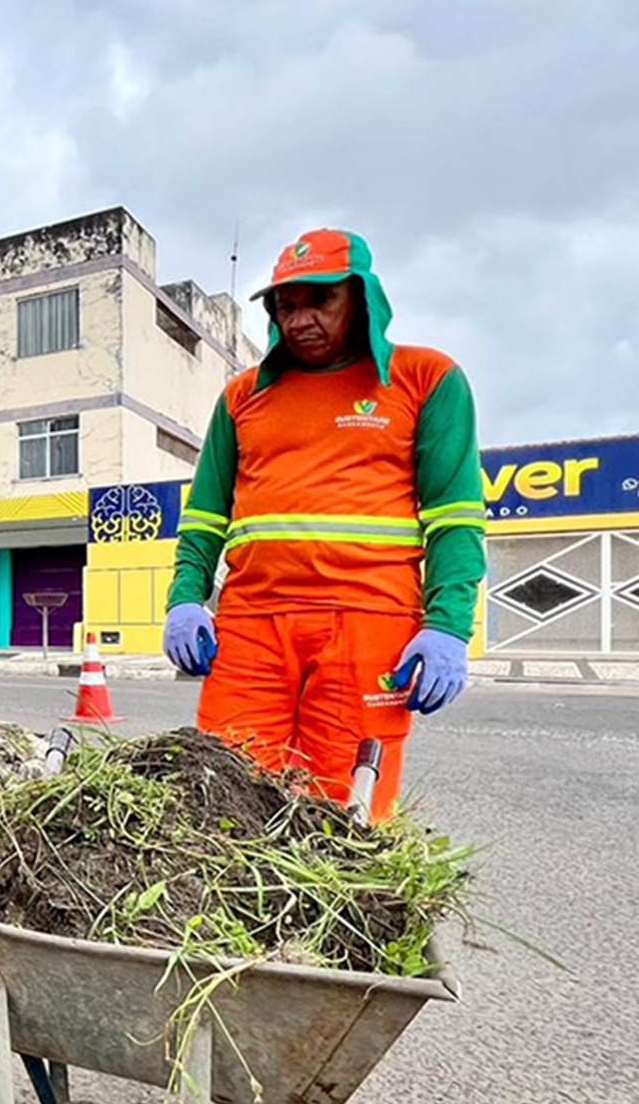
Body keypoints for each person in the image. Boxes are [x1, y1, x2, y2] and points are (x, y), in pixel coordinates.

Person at [163, 229, 486, 820]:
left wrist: (448, 626)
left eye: (320, 301)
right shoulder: (242, 397)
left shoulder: (426, 379)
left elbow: (456, 518)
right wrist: (185, 599)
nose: (300, 320)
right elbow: (206, 516)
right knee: (224, 796)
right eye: (286, 306)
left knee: (341, 807)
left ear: (362, 299)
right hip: (251, 625)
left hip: (367, 625)